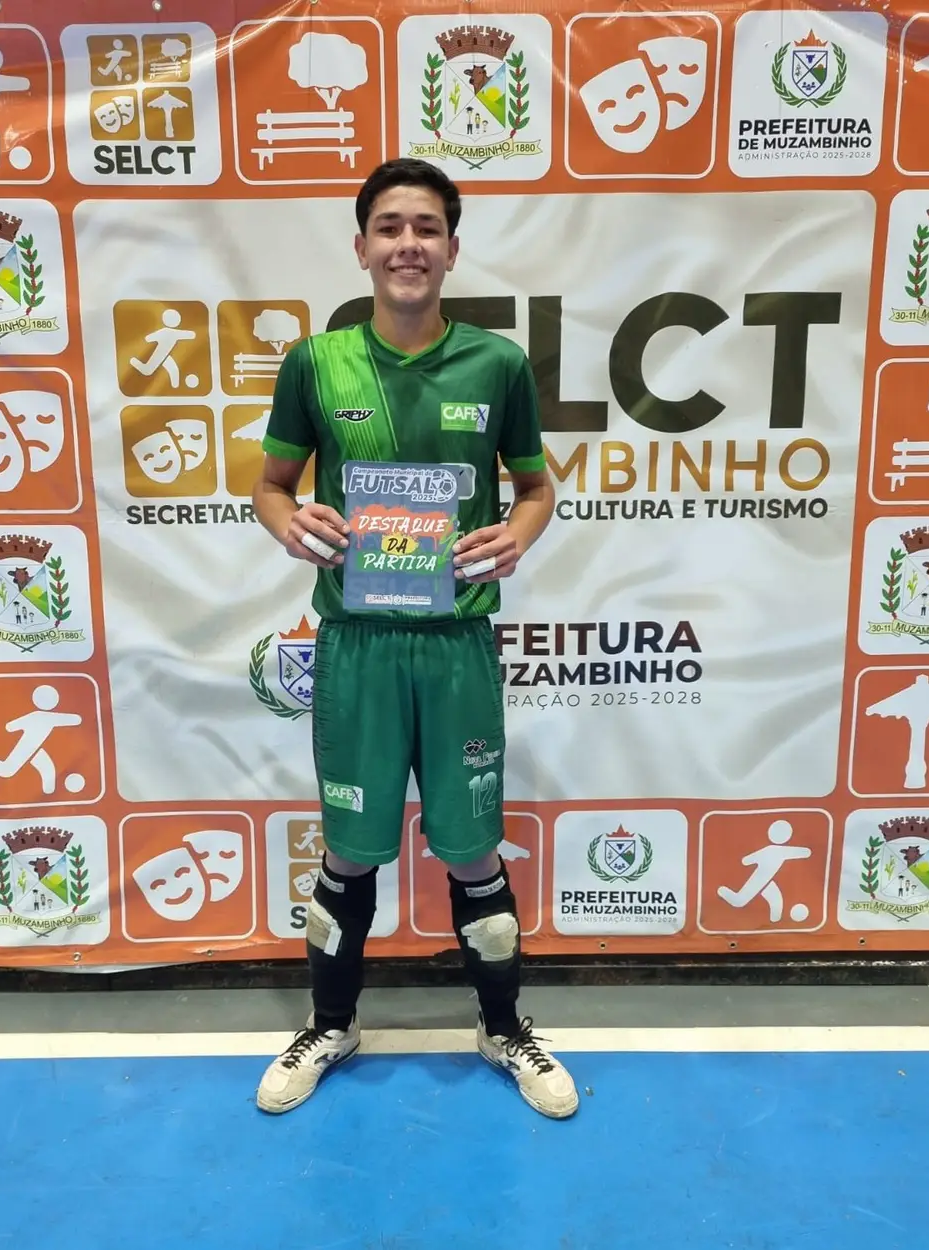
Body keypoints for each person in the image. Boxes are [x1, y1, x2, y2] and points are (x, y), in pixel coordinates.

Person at [251, 157, 578, 1120]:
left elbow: (536, 488)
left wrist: (516, 536)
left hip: (456, 648)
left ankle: (503, 1028)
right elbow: (271, 486)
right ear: (361, 248)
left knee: (473, 853)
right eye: (390, 227)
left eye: (426, 228)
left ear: (452, 249)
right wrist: (290, 523)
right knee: (349, 853)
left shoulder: (496, 364)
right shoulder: (315, 363)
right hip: (357, 647)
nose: (408, 244)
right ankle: (331, 1024)